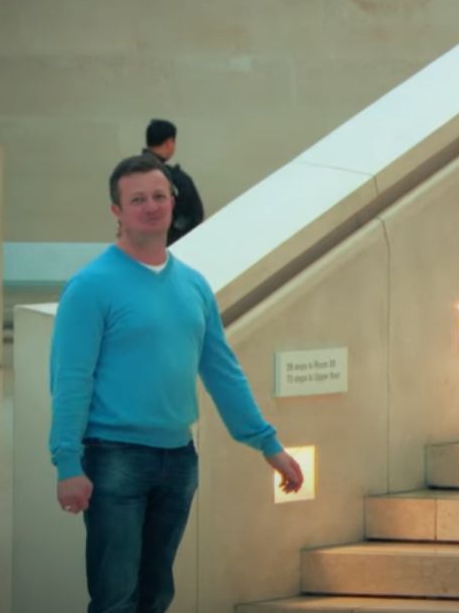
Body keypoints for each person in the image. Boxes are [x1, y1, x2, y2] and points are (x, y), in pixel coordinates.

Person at [49, 153, 303, 613]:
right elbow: (70, 380)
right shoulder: (90, 286)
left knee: (157, 595)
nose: (151, 206)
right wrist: (67, 462)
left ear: (173, 201)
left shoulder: (194, 285)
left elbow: (222, 370)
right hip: (112, 459)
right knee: (115, 597)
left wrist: (269, 444)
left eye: (159, 196)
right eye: (138, 199)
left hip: (179, 460)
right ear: (117, 212)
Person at [144, 118, 204, 245]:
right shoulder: (177, 179)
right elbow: (195, 215)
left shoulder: (127, 173)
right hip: (170, 246)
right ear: (169, 143)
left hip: (137, 247)